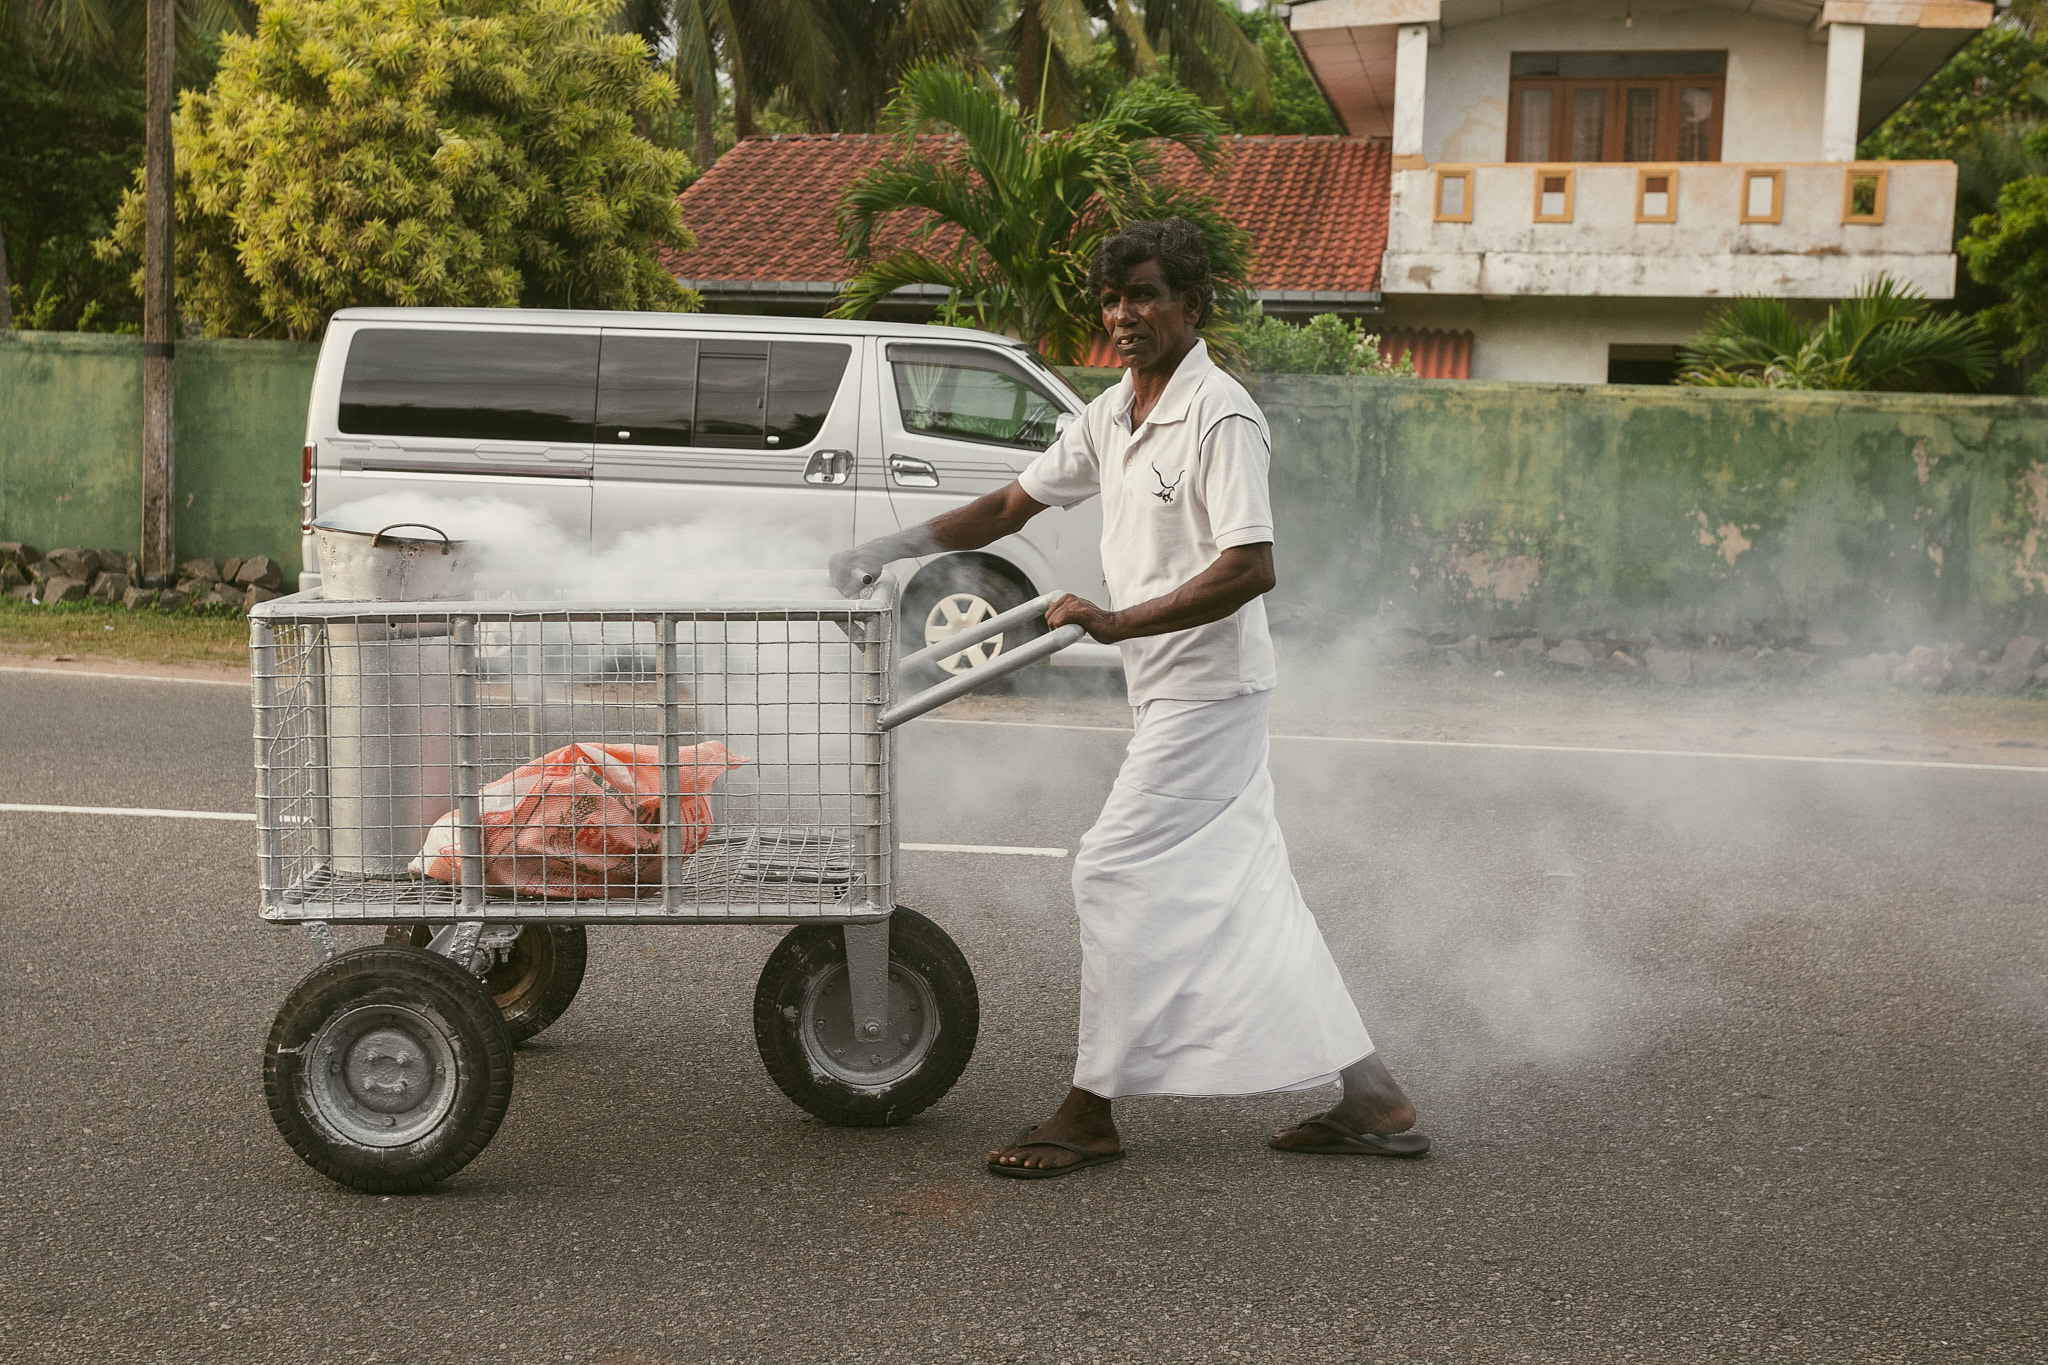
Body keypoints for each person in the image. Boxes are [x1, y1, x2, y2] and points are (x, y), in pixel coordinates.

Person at [829, 217, 1426, 1178]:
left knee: (1110, 869)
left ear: (1193, 305)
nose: (1123, 315)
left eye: (1144, 295)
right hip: (1169, 690)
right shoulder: (1113, 413)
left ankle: (1091, 1108)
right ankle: (1375, 1097)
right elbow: (1009, 506)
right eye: (1112, 299)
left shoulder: (1220, 416)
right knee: (1250, 894)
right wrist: (885, 549)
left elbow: (1251, 566)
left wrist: (1115, 622)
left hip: (1209, 692)